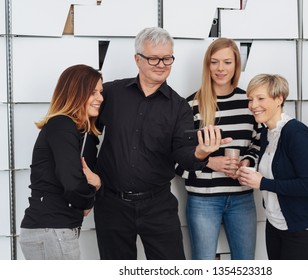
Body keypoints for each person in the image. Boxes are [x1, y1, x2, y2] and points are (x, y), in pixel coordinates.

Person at [93, 27, 230, 260]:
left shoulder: (178, 107)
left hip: (157, 206)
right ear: (137, 59)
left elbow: (184, 155)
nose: (161, 64)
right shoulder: (112, 93)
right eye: (153, 58)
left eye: (167, 58)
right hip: (111, 205)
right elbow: (85, 130)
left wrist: (200, 152)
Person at [175, 38, 260, 260]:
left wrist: (247, 163)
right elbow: (175, 158)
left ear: (236, 66)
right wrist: (208, 162)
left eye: (227, 62)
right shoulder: (190, 104)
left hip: (242, 198)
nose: (220, 69)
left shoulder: (249, 102)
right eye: (214, 62)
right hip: (203, 199)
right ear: (207, 65)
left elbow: (258, 144)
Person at [237, 74, 308, 260]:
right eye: (250, 99)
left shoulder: (296, 133)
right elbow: (275, 169)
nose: (253, 105)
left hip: (302, 229)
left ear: (279, 99)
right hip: (275, 225)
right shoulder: (266, 133)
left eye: (260, 98)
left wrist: (263, 183)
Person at [19, 64, 103, 260]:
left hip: (53, 230)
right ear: (75, 93)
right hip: (52, 230)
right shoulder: (62, 125)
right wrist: (91, 194)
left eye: (101, 92)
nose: (100, 98)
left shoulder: (74, 130)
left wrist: (94, 186)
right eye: (93, 92)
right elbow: (72, 182)